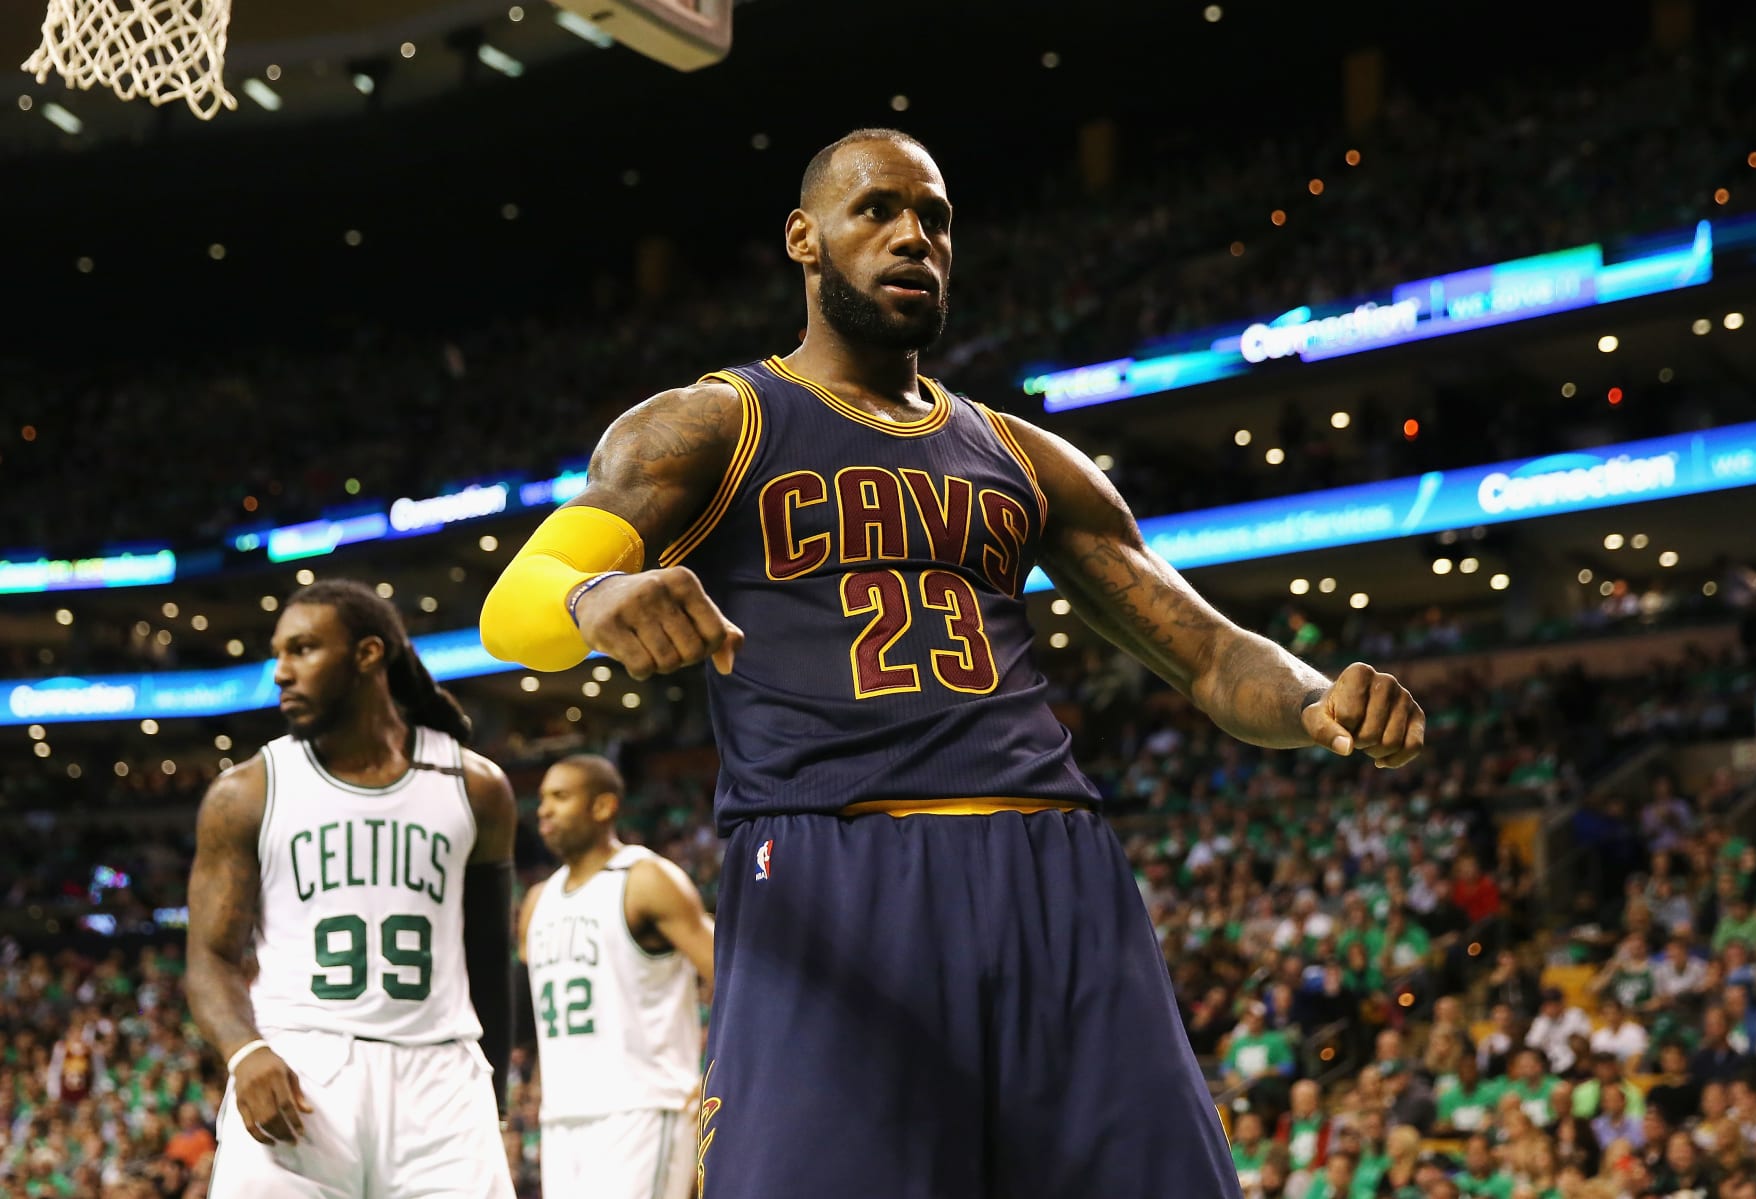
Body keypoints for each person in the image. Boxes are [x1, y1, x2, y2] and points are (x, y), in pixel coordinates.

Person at [478, 127, 1426, 1198]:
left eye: (933, 218)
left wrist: (1313, 702)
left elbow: (1207, 653)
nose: (911, 236)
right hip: (833, 861)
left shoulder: (1023, 456)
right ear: (804, 237)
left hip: (1054, 869)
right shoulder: (714, 423)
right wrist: (595, 591)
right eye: (876, 209)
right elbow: (516, 608)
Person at [185, 579, 516, 1197]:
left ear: (368, 654)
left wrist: (494, 1101)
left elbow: (491, 956)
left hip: (441, 1078)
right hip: (300, 1070)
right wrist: (243, 1052)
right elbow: (209, 957)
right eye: (279, 653)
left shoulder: (476, 786)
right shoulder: (246, 793)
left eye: (304, 649)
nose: (281, 672)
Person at [519, 753, 714, 1199]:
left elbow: (730, 973)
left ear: (603, 807)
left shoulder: (646, 879)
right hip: (561, 1118)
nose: (544, 809)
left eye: (561, 797)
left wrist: (715, 1074)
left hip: (642, 1108)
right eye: (543, 797)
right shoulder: (536, 902)